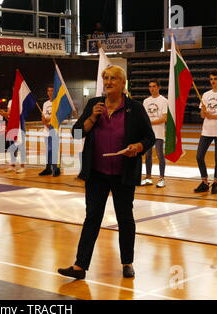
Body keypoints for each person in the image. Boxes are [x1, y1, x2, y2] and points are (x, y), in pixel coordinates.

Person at [57, 65, 155, 279]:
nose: (108, 82)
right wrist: (92, 118)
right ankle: (80, 266)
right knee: (92, 217)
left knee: (125, 218)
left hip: (123, 173)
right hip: (97, 173)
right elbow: (76, 133)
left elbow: (149, 137)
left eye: (113, 79)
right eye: (106, 78)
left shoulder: (135, 108)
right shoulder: (94, 105)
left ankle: (127, 262)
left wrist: (137, 147)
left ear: (123, 83)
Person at [194, 69, 217, 194]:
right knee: (199, 156)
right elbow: (202, 115)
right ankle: (204, 182)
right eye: (211, 79)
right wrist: (203, 111)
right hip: (206, 130)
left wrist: (214, 116)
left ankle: (215, 183)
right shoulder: (205, 95)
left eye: (215, 79)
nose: (213, 81)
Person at [141, 79, 168, 188]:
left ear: (158, 87)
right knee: (148, 155)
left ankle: (161, 178)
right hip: (148, 133)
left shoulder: (164, 101)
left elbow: (164, 118)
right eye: (150, 86)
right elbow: (143, 117)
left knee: (160, 155)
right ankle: (148, 177)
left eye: (154, 86)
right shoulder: (146, 101)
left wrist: (150, 122)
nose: (151, 89)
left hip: (158, 132)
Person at [39, 84, 61, 177]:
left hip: (55, 129)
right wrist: (46, 123)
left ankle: (56, 169)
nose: (50, 93)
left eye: (52, 90)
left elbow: (57, 117)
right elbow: (43, 117)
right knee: (48, 150)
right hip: (46, 130)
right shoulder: (45, 104)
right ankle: (48, 168)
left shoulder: (57, 103)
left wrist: (50, 121)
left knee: (54, 149)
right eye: (49, 91)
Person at [1, 99, 26, 173]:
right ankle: (12, 165)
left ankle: (22, 166)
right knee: (12, 146)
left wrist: (7, 113)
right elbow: (9, 114)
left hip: (20, 125)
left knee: (21, 146)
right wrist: (4, 113)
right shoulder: (10, 101)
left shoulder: (22, 100)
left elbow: (22, 114)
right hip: (12, 125)